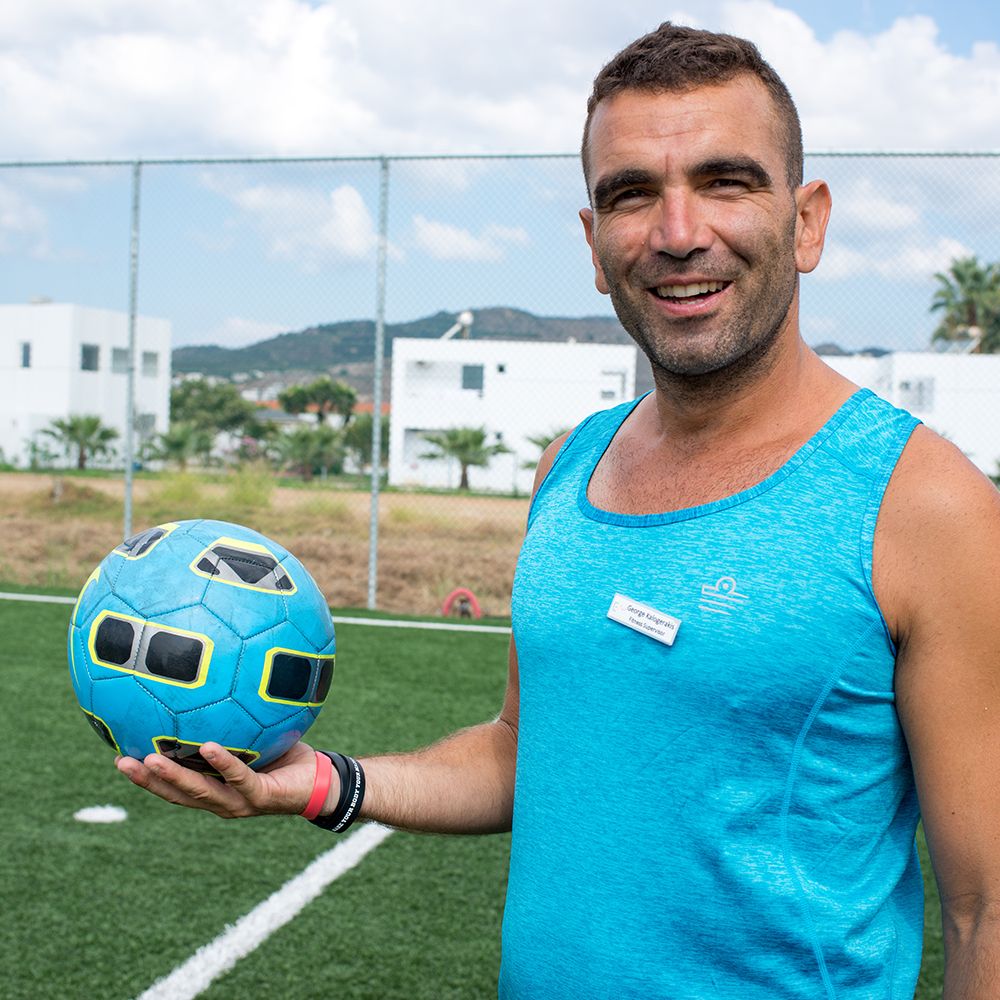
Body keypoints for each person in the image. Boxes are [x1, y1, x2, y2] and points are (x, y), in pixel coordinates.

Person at [117, 22, 1000, 999]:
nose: (676, 232)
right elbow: (516, 747)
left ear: (806, 222)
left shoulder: (927, 508)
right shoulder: (569, 467)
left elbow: (984, 908)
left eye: (725, 180)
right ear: (593, 243)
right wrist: (326, 781)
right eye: (632, 194)